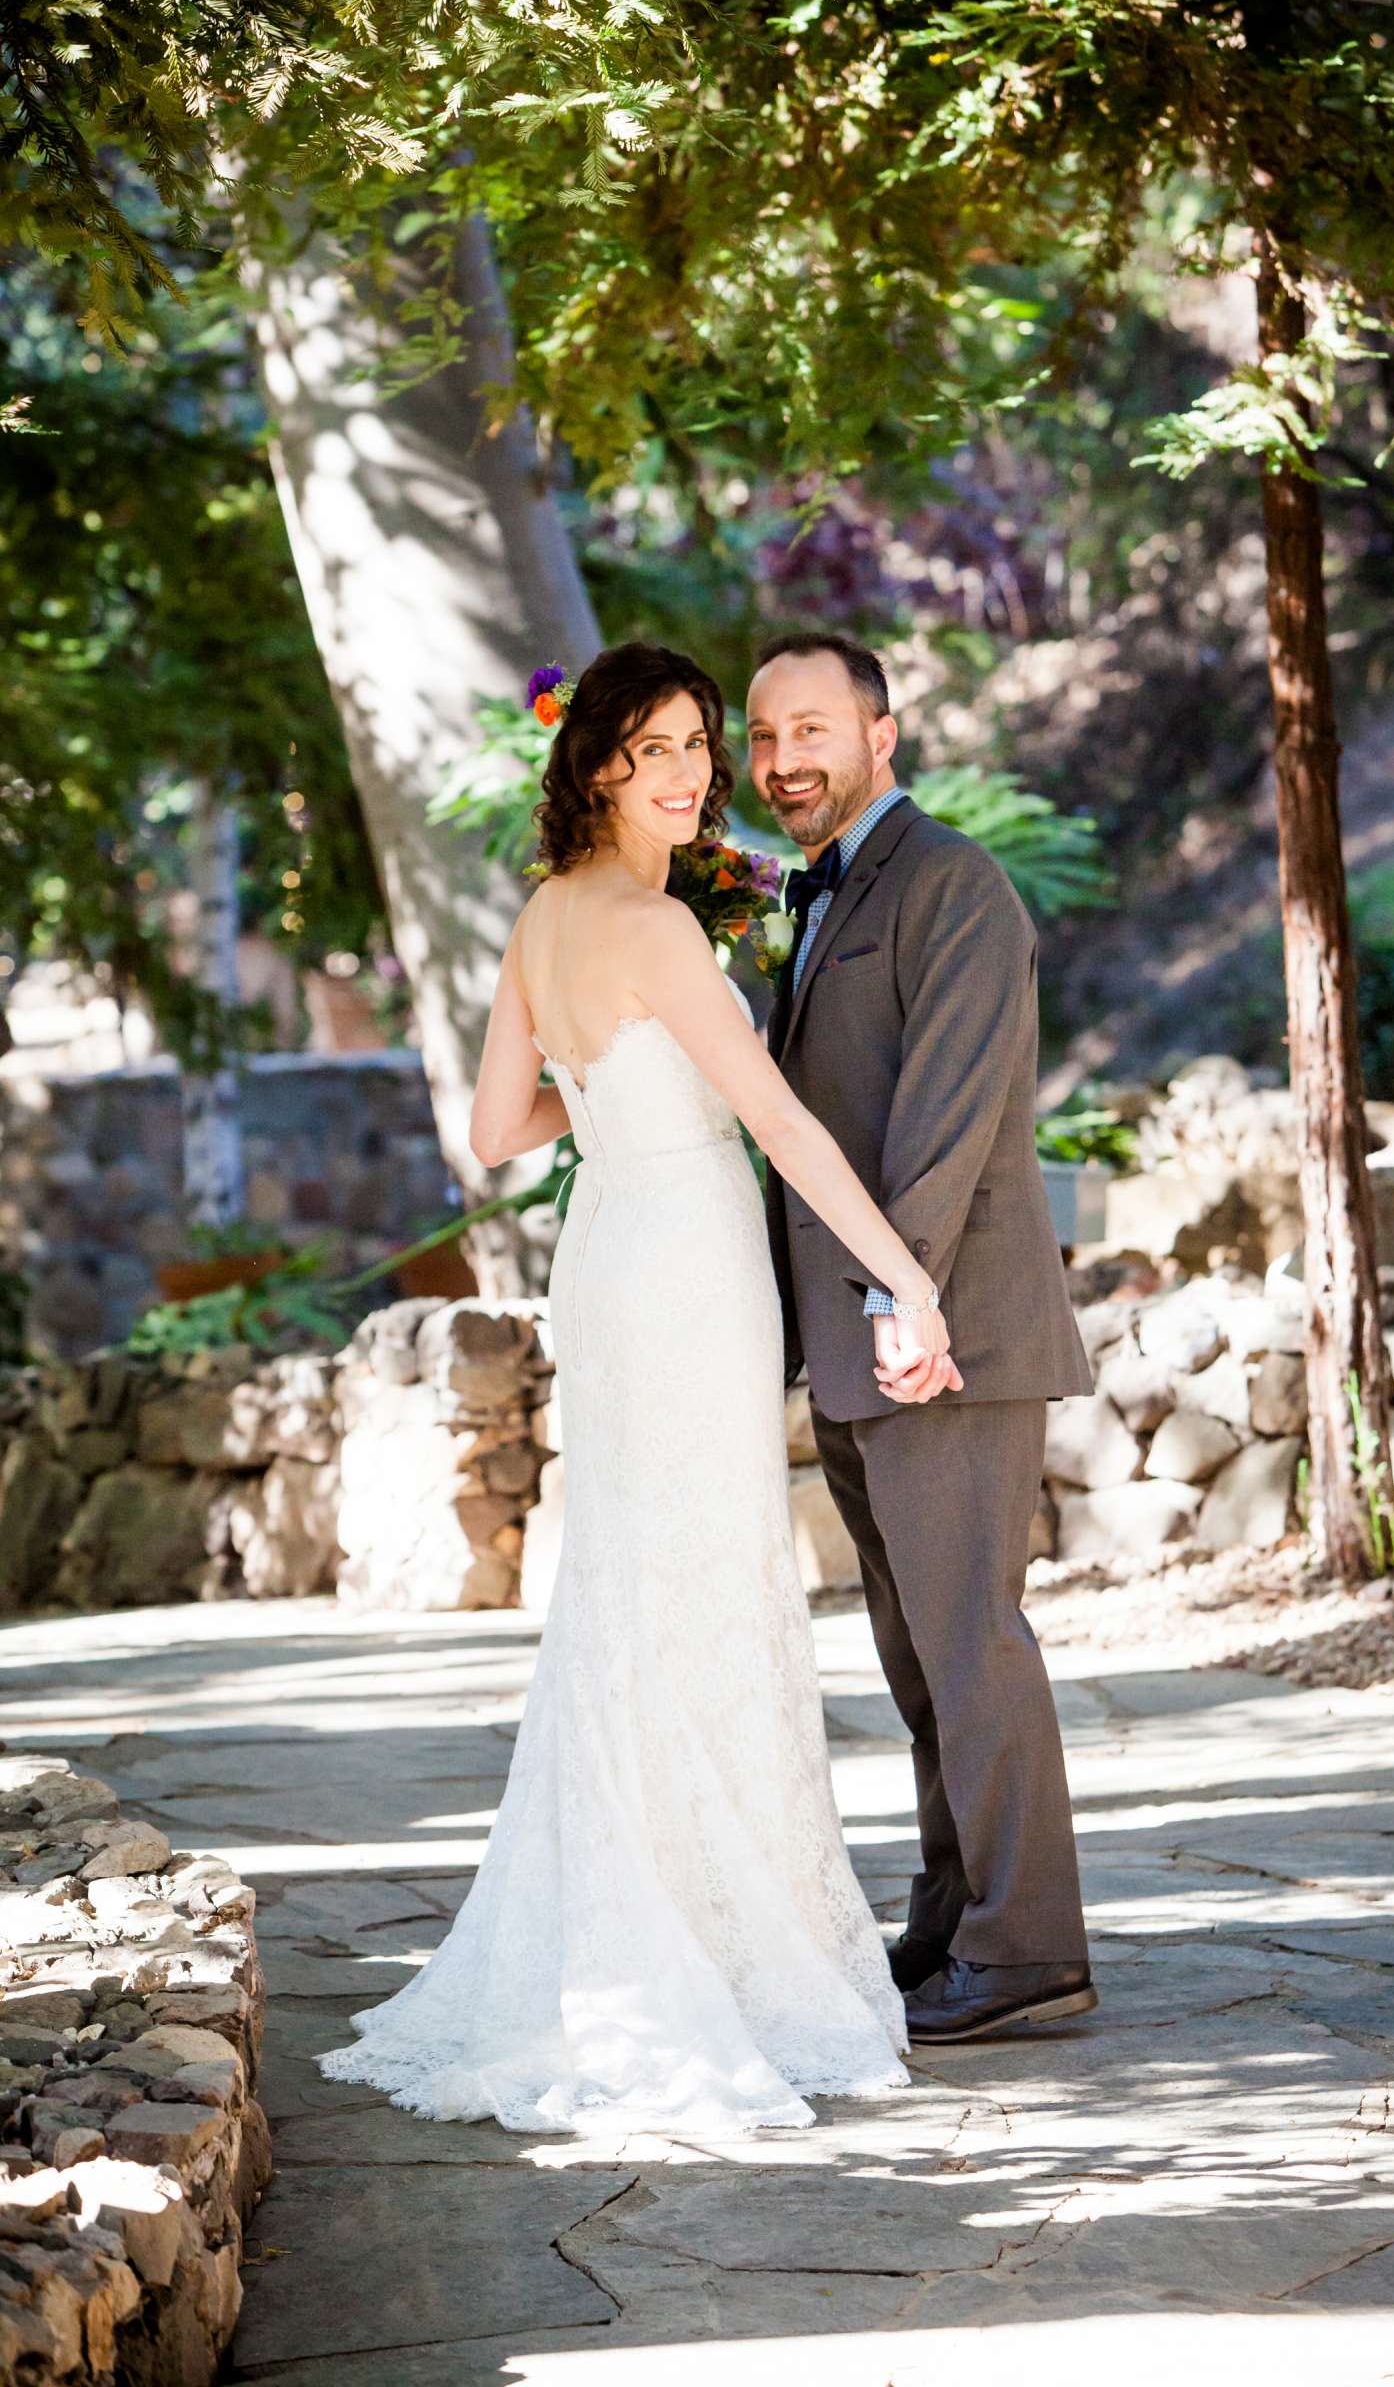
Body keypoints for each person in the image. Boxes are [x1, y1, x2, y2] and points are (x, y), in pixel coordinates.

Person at [314, 641, 950, 2136]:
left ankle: (648, 1917)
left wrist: (604, 1089)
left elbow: (490, 1129)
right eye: (656, 748)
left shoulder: (544, 919)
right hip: (685, 1257)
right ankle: (711, 1951)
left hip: (613, 1242)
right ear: (597, 763)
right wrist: (904, 1277)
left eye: (699, 748)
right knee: (705, 1577)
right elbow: (781, 1120)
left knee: (634, 1583)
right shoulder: (660, 931)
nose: (689, 773)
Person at [750, 629, 1098, 2045]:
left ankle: (1029, 1952)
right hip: (858, 1346)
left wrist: (907, 1307)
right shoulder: (820, 895)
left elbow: (947, 1124)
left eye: (813, 731)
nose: (784, 763)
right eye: (764, 739)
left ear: (882, 734)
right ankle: (957, 1914)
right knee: (917, 1655)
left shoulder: (954, 885)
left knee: (971, 1642)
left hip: (938, 1338)